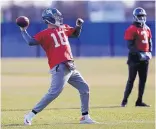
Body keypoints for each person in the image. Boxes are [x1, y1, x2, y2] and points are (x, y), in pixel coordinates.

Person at [18, 8, 97, 125]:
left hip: (70, 65)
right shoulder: (44, 34)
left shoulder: (63, 27)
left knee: (84, 88)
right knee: (54, 93)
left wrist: (78, 26)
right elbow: (30, 42)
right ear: (49, 19)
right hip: (59, 67)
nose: (59, 18)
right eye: (56, 16)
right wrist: (23, 30)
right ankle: (29, 116)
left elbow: (75, 34)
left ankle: (85, 116)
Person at [121, 7, 152, 107]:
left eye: (143, 16)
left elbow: (149, 41)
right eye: (140, 16)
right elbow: (130, 45)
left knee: (143, 80)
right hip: (134, 58)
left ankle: (139, 101)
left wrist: (150, 52)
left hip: (145, 58)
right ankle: (124, 101)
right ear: (135, 17)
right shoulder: (131, 29)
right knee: (131, 80)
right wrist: (139, 53)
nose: (142, 18)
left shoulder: (147, 28)